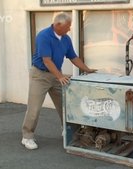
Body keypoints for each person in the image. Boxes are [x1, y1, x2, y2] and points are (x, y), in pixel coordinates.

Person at [21, 12, 97, 150]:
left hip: (56, 75)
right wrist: (60, 76)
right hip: (40, 75)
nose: (69, 29)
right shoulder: (43, 36)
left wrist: (87, 69)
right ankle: (27, 136)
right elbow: (46, 60)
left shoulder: (66, 38)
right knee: (34, 108)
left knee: (65, 104)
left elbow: (73, 57)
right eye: (68, 26)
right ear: (57, 25)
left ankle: (67, 130)